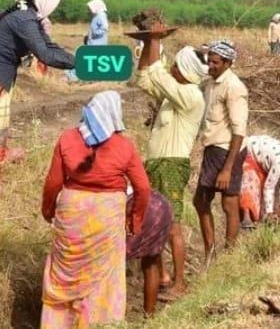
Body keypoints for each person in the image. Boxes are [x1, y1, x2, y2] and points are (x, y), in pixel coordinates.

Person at [40, 91, 150, 328]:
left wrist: (48, 210)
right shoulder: (123, 146)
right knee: (103, 281)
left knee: (64, 276)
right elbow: (143, 187)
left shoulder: (67, 139)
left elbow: (53, 183)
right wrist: (135, 220)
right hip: (107, 216)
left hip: (71, 213)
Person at [0, 0, 75, 193]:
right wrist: (79, 63)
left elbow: (48, 47)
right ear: (45, 1)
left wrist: (76, 60)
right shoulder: (25, 19)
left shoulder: (25, 16)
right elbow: (45, 54)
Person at [134, 38, 206, 298]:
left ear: (186, 71)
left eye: (176, 65)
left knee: (173, 226)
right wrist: (147, 43)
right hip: (156, 165)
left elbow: (158, 75)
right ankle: (163, 275)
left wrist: (153, 40)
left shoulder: (190, 96)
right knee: (155, 223)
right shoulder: (173, 95)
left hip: (172, 166)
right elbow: (144, 78)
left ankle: (180, 282)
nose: (173, 68)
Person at [194, 40, 248, 263]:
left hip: (227, 150)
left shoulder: (234, 87)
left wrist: (227, 169)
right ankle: (211, 253)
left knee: (229, 203)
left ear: (228, 62)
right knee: (201, 201)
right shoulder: (209, 84)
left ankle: (229, 256)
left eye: (215, 62)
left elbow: (238, 131)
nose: (211, 66)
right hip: (212, 149)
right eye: (209, 61)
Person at [126, 189, 173, 316]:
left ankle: (110, 317)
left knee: (113, 263)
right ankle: (149, 315)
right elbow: (142, 183)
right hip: (158, 205)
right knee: (151, 260)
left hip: (137, 207)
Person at [27, 0, 64, 76]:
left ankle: (40, 76)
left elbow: (45, 36)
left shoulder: (44, 21)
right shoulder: (37, 19)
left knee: (40, 63)